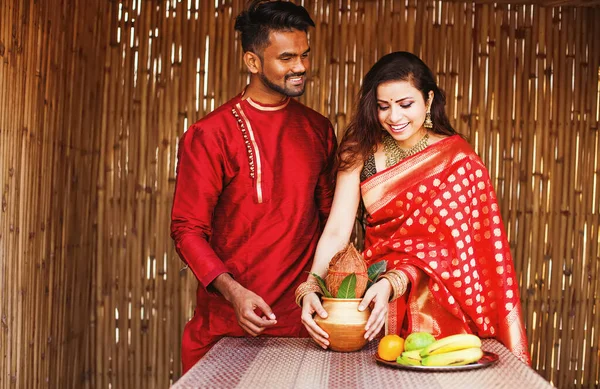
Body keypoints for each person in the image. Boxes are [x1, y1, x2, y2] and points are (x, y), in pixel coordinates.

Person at [296, 51, 530, 364]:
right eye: (383, 106)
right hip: (375, 303)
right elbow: (338, 230)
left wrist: (398, 279)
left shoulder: (457, 160)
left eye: (405, 104)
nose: (394, 117)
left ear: (428, 99)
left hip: (441, 305)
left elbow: (458, 251)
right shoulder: (360, 150)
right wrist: (311, 285)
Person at [171, 0, 337, 373]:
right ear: (253, 62)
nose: (301, 67)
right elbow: (187, 230)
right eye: (287, 58)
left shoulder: (318, 129)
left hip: (304, 327)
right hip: (228, 327)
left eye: (305, 55)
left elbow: (332, 222)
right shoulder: (210, 135)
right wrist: (234, 294)